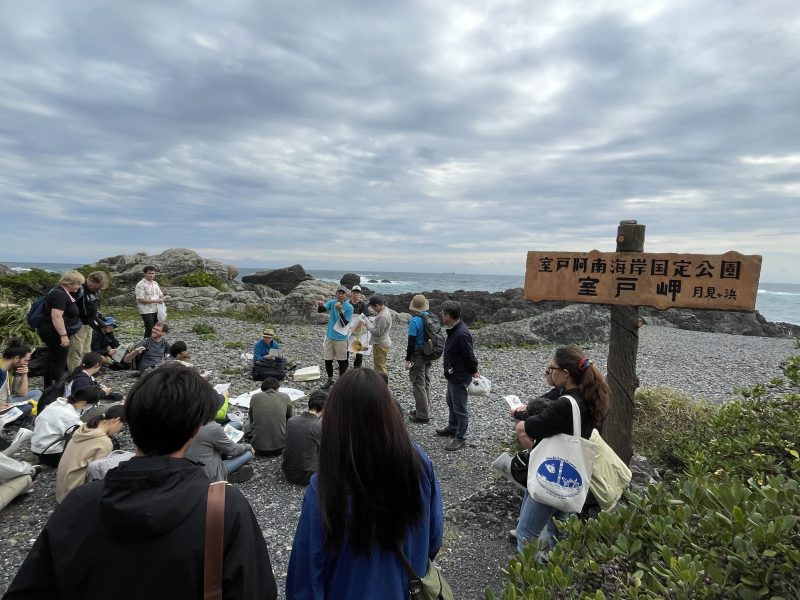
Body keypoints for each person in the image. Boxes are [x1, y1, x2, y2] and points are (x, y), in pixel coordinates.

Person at [4, 364, 279, 599]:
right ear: (196, 428)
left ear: (130, 421)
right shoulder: (223, 506)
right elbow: (256, 590)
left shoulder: (81, 501)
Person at [286, 368, 444, 599]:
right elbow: (434, 537)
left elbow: (307, 575)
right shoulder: (418, 462)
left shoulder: (326, 482)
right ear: (389, 412)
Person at [511, 346, 610, 557]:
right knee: (559, 532)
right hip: (571, 477)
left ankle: (530, 586)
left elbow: (531, 427)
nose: (549, 372)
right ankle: (558, 582)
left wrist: (522, 416)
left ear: (565, 373)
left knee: (526, 534)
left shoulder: (565, 404)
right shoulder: (589, 396)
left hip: (551, 475)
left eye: (552, 368)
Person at [55, 404, 125, 503]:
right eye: (122, 426)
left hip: (62, 490)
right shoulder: (103, 441)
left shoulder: (84, 428)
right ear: (116, 420)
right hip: (74, 497)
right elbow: (98, 474)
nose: (119, 431)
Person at [435, 301, 479, 451]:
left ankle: (460, 438)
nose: (441, 316)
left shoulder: (462, 333)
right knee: (450, 401)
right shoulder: (455, 329)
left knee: (460, 408)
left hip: (459, 376)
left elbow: (470, 356)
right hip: (452, 375)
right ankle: (452, 427)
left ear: (448, 316)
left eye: (442, 314)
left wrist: (474, 370)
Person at [184, 395, 254, 483]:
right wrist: (247, 446)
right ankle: (228, 476)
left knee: (235, 425)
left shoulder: (187, 421)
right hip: (209, 473)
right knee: (248, 454)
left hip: (191, 466)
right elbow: (232, 450)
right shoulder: (212, 427)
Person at [36, 270, 85, 387]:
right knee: (59, 362)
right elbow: (56, 316)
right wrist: (63, 336)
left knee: (52, 359)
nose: (79, 287)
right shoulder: (59, 295)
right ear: (70, 283)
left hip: (51, 331)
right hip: (54, 333)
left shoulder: (62, 292)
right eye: (78, 284)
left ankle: (49, 387)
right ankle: (57, 388)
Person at [31, 387, 101, 467]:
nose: (90, 407)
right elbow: (82, 432)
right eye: (90, 405)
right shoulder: (68, 414)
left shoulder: (56, 403)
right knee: (88, 446)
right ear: (83, 402)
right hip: (50, 453)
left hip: (36, 446)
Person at [67, 271, 110, 372]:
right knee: (76, 352)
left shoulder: (93, 292)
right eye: (97, 287)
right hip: (78, 325)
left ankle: (85, 373)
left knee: (86, 351)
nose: (97, 290)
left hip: (89, 324)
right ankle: (75, 375)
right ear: (90, 281)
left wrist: (98, 316)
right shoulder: (78, 289)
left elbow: (91, 306)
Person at [281, 390, 325, 486]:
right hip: (307, 477)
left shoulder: (292, 420)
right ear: (323, 408)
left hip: (287, 471)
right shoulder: (319, 427)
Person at [316, 285, 353, 390]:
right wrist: (320, 305)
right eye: (339, 292)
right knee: (327, 360)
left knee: (342, 361)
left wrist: (340, 311)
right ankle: (330, 380)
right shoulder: (332, 302)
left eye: (343, 293)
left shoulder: (349, 307)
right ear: (336, 293)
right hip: (329, 336)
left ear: (345, 295)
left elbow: (344, 324)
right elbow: (321, 310)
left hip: (341, 338)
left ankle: (341, 382)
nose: (340, 295)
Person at [248, 377, 293, 456]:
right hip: (280, 448)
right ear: (278, 388)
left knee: (246, 424)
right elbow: (290, 418)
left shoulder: (255, 397)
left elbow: (251, 417)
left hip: (257, 448)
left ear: (262, 389)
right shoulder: (285, 397)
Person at [405, 294, 432, 423]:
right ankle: (423, 408)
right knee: (425, 382)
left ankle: (422, 415)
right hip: (428, 354)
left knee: (418, 384)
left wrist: (408, 359)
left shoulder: (414, 321)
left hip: (418, 356)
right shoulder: (428, 316)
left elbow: (411, 342)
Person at [0, 339, 41, 420]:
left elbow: (23, 394)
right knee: (27, 407)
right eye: (25, 360)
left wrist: (24, 375)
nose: (27, 363)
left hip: (7, 401)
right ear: (16, 358)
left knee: (37, 393)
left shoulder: (10, 369)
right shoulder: (1, 370)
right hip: (2, 405)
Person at [134, 265, 166, 338]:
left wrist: (163, 297)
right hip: (146, 310)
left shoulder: (155, 283)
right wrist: (156, 300)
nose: (151, 275)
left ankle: (154, 343)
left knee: (157, 327)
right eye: (149, 273)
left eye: (153, 273)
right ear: (145, 273)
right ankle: (146, 345)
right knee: (150, 328)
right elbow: (140, 299)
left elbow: (160, 294)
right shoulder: (140, 284)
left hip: (156, 309)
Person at [365, 295, 392, 374]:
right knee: (380, 365)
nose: (372, 309)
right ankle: (381, 383)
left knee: (380, 367)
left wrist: (368, 326)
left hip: (380, 344)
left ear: (377, 305)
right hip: (381, 343)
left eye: (372, 307)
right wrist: (372, 324)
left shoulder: (383, 316)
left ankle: (383, 384)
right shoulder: (383, 311)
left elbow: (378, 333)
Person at [348, 285, 370, 368]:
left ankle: (357, 367)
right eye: (354, 292)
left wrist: (356, 328)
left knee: (358, 348)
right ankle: (343, 364)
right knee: (345, 347)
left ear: (360, 294)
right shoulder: (347, 303)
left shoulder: (362, 304)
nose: (356, 294)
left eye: (357, 293)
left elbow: (364, 317)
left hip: (359, 330)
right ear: (351, 293)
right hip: (348, 329)